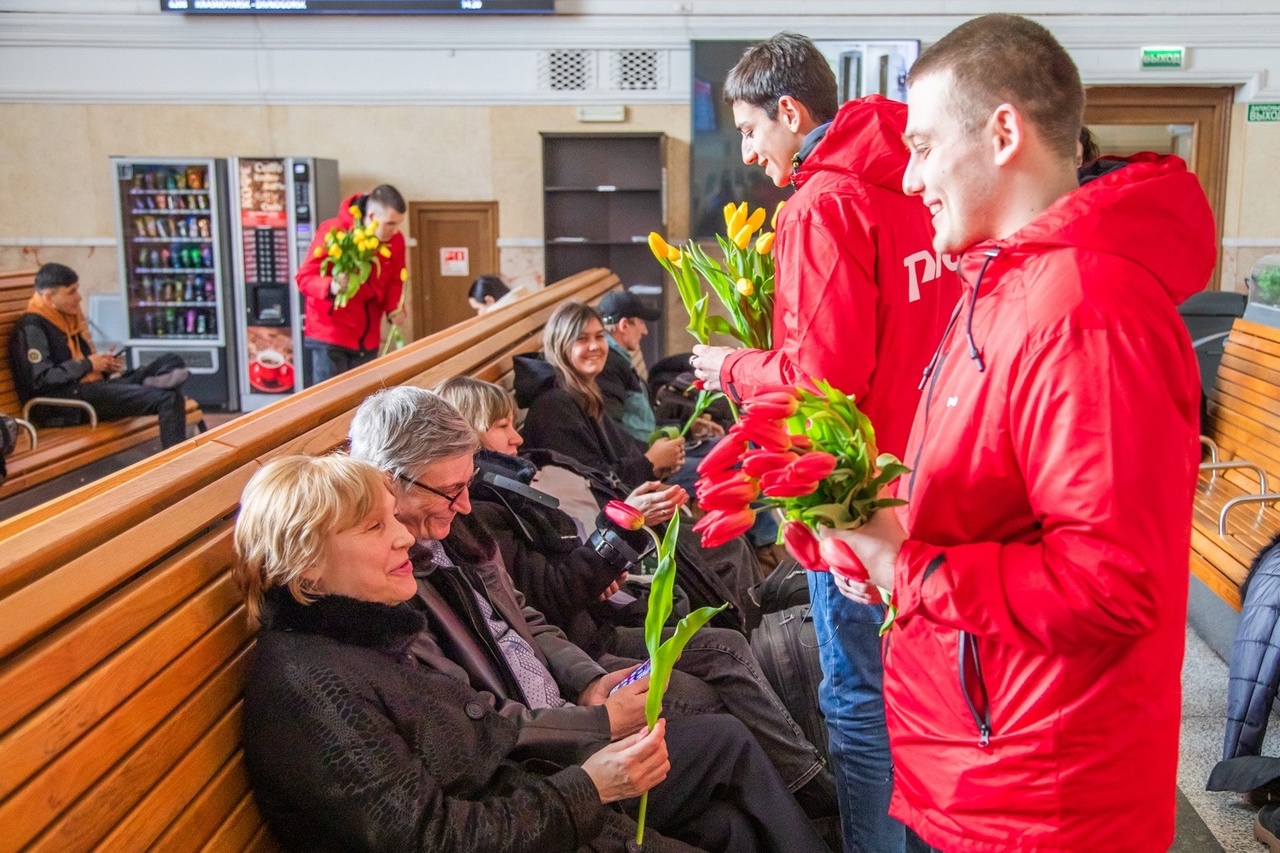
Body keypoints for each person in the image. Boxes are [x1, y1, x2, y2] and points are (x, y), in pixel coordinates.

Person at [825, 14, 1216, 852]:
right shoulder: (1006, 283)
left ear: (1003, 133)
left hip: (1044, 797)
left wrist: (908, 568)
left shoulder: (1088, 310)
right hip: (989, 764)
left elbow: (1111, 584)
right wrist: (880, 528)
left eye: (924, 145)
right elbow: (997, 495)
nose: (910, 176)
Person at [235, 453, 827, 853]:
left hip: (541, 791)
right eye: (373, 528)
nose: (402, 537)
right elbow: (432, 837)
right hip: (543, 809)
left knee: (728, 820)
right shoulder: (312, 689)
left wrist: (593, 732)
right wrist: (590, 785)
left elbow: (486, 721)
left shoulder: (360, 636)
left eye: (392, 519)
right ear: (306, 565)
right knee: (719, 748)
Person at [688, 33, 960, 853]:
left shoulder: (822, 202)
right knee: (925, 695)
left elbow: (822, 376)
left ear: (790, 111)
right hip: (937, 476)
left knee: (859, 698)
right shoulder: (918, 182)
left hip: (855, 494)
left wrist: (732, 365)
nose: (748, 151)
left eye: (750, 130)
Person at [432, 376, 838, 816]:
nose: (517, 436)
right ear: (470, 434)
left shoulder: (512, 480)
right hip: (587, 645)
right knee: (721, 668)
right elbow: (547, 598)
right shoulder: (483, 507)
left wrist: (608, 555)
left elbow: (552, 573)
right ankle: (808, 783)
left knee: (726, 637)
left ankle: (804, 767)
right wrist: (614, 540)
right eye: (502, 426)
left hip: (593, 624)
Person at [516, 302, 762, 628]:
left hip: (626, 519)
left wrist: (656, 463)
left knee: (731, 537)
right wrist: (648, 464)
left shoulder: (583, 394)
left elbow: (610, 463)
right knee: (727, 547)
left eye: (598, 337)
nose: (594, 346)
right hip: (604, 536)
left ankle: (757, 619)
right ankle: (748, 629)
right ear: (560, 345)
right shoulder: (555, 407)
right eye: (582, 339)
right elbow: (588, 488)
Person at [8, 262, 193, 449]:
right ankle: (177, 462)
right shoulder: (32, 327)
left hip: (90, 389)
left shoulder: (67, 318)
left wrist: (104, 366)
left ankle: (151, 382)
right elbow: (40, 379)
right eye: (71, 292)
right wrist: (88, 365)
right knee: (168, 399)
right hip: (65, 403)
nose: (79, 297)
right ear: (49, 297)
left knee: (171, 360)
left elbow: (84, 365)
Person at [295, 184, 407, 384]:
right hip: (330, 336)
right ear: (371, 217)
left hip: (368, 338)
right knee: (331, 399)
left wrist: (394, 309)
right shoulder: (333, 231)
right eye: (390, 223)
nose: (395, 230)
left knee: (366, 398)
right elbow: (304, 278)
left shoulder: (396, 240)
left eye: (398, 224)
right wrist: (331, 286)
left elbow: (394, 281)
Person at [596, 289, 723, 446]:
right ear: (624, 325)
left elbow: (643, 425)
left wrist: (688, 428)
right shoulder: (607, 366)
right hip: (645, 456)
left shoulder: (616, 360)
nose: (645, 331)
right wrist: (654, 457)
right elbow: (615, 433)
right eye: (642, 322)